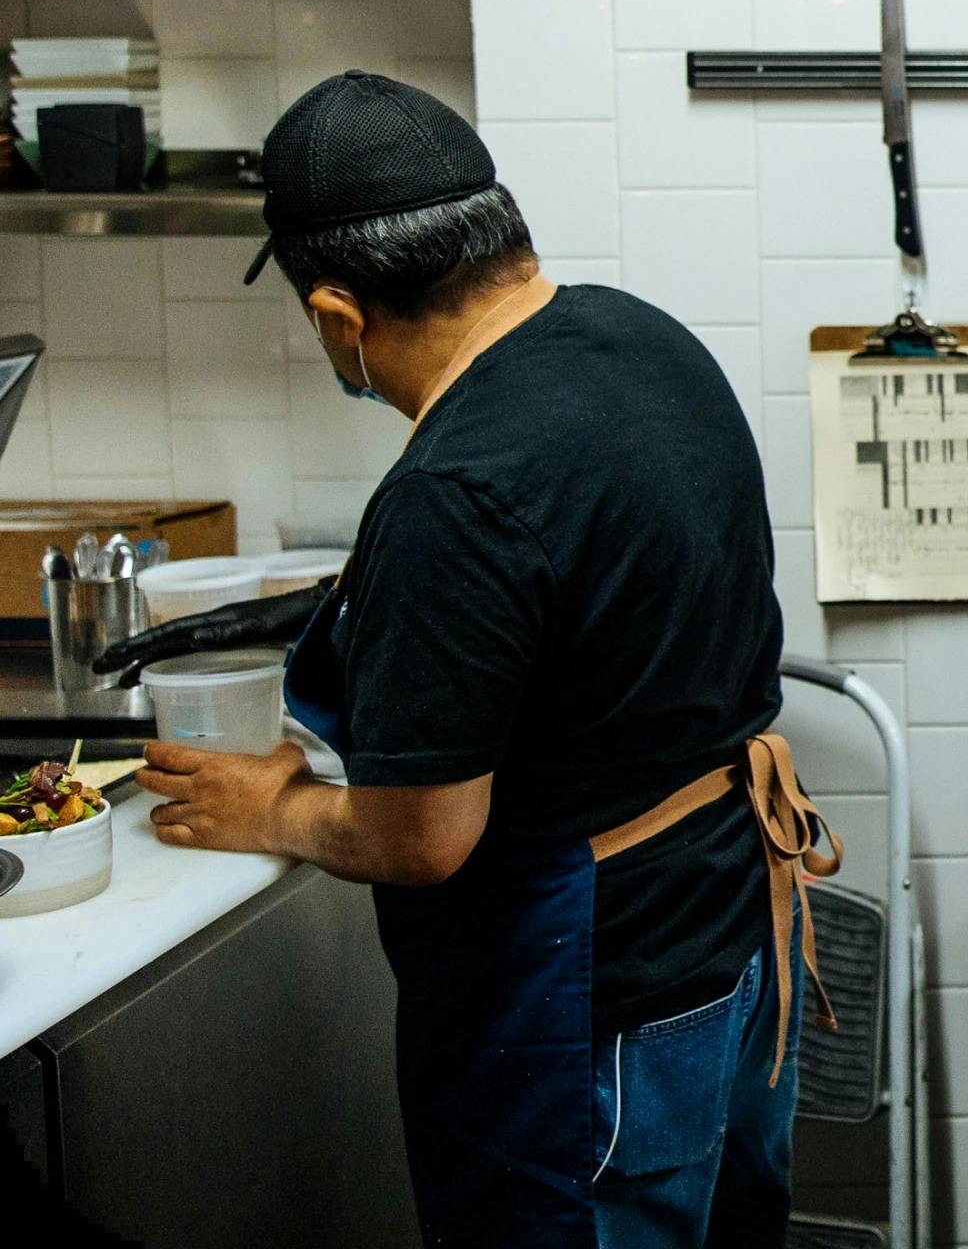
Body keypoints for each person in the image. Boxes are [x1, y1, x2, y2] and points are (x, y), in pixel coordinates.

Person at [116, 71, 837, 1249]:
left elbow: (423, 835)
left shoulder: (455, 488)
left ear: (341, 316)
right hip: (732, 947)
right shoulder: (646, 340)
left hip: (593, 1018)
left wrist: (279, 804)